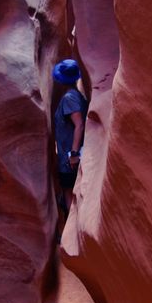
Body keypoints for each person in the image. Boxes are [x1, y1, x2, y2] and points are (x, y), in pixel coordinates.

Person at [52, 58, 88, 213]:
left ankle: (69, 233)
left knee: (68, 192)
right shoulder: (77, 95)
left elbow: (79, 125)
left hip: (69, 159)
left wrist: (73, 154)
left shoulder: (69, 98)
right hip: (70, 156)